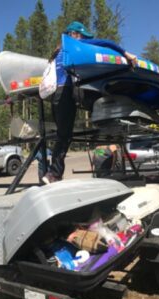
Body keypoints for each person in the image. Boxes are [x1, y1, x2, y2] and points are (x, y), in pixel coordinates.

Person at [42, 21, 137, 184]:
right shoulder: (73, 44)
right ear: (74, 34)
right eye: (82, 36)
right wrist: (126, 54)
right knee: (67, 133)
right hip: (66, 92)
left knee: (63, 135)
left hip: (55, 96)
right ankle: (53, 174)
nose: (84, 39)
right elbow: (107, 43)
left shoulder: (57, 52)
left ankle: (53, 174)